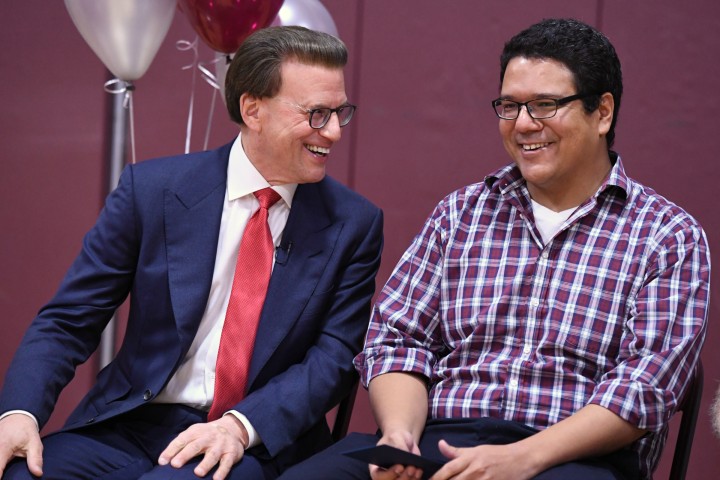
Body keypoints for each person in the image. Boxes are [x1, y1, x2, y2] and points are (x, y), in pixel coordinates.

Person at [278, 18, 710, 480]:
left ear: (602, 112)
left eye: (545, 105)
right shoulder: (461, 213)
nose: (524, 124)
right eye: (510, 105)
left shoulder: (667, 234)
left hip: (575, 460)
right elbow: (398, 339)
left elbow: (645, 388)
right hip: (440, 441)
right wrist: (399, 437)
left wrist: (522, 458)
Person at [0, 26, 383, 480]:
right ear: (253, 109)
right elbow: (69, 318)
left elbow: (335, 359)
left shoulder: (353, 224)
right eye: (317, 114)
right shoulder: (152, 190)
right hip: (130, 426)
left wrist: (240, 427)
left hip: (249, 440)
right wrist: (18, 413)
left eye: (341, 113)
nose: (334, 132)